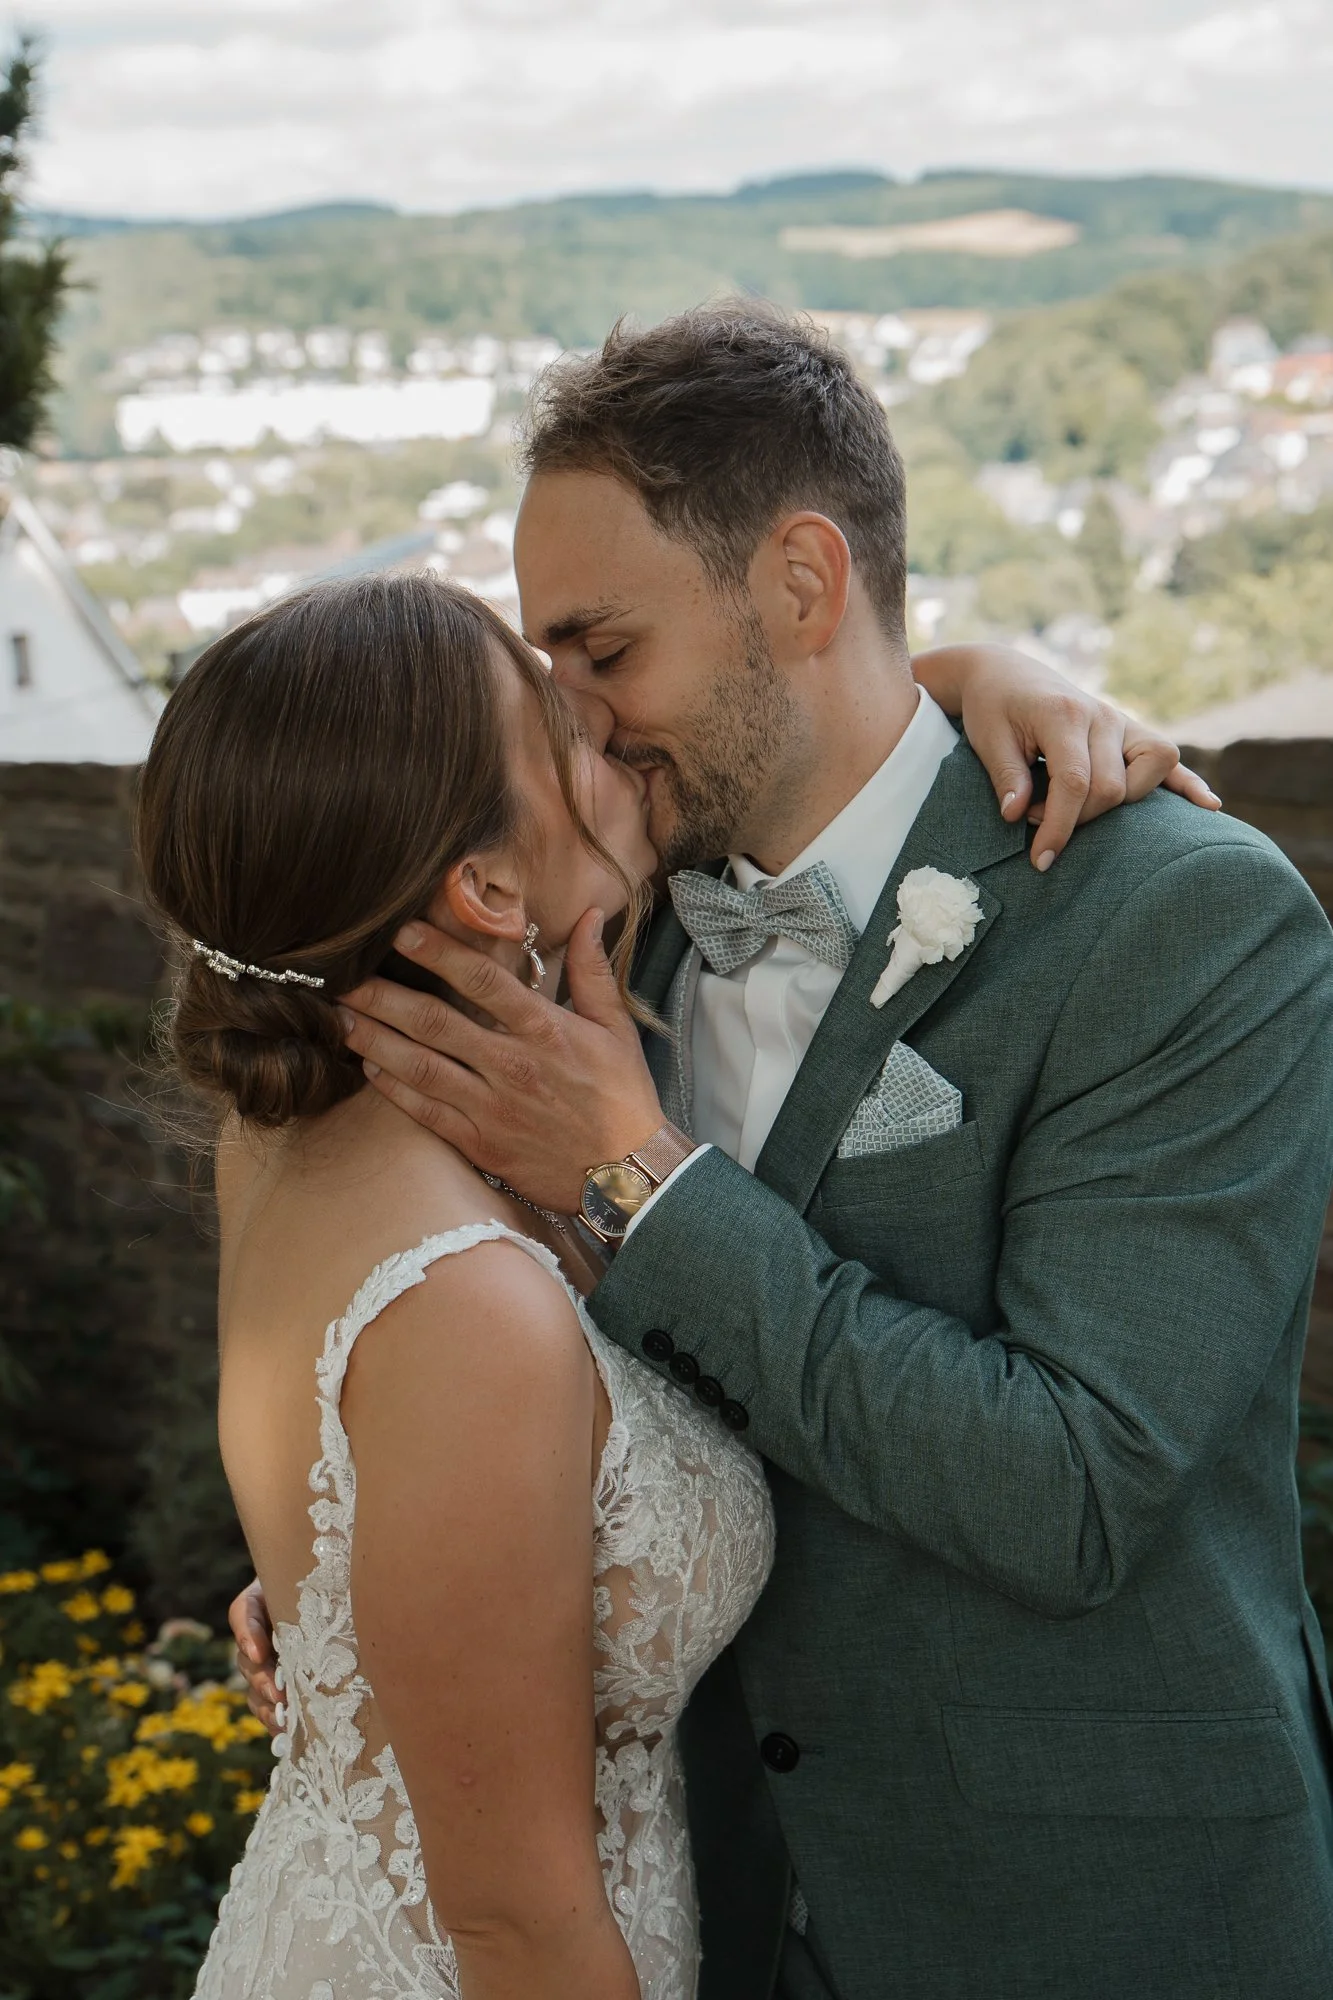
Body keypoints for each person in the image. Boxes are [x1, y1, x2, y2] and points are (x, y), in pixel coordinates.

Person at [288, 305, 1333, 2000]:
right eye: (544, 664)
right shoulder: (604, 944)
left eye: (602, 650)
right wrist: (373, 1576)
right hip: (717, 1916)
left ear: (797, 581)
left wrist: (646, 1180)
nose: (574, 719)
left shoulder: (1186, 928)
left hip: (1094, 1923)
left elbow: (1074, 1491)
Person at [150, 567, 1162, 1999]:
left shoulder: (296, 1120)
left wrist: (973, 674)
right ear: (488, 888)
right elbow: (522, 1925)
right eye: (554, 720)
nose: (603, 721)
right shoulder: (470, 1302)